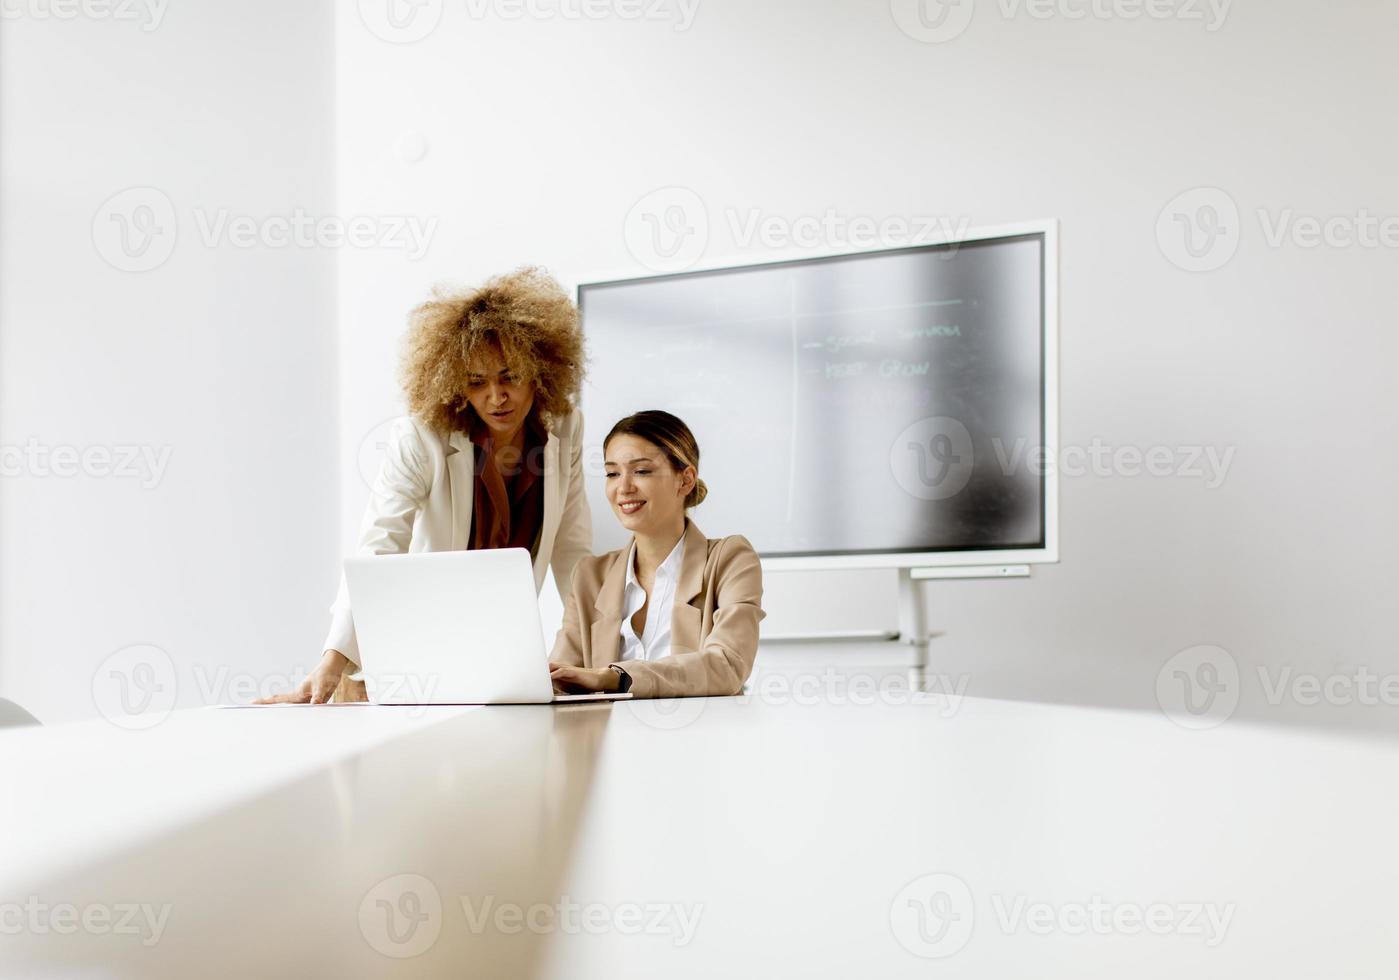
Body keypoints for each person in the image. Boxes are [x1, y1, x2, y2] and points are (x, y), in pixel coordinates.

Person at [259, 267, 592, 704]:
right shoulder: (422, 436)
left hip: (505, 655)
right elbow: (379, 546)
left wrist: (595, 654)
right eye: (477, 382)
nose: (497, 396)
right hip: (415, 653)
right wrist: (333, 658)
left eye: (510, 376)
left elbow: (573, 552)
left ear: (540, 369)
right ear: (456, 384)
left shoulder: (564, 428)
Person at [549, 411, 764, 699]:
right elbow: (561, 677)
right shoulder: (590, 575)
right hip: (608, 741)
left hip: (702, 737)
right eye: (612, 473)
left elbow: (726, 665)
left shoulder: (730, 559)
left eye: (641, 471)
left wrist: (617, 678)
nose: (623, 488)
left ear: (685, 480)